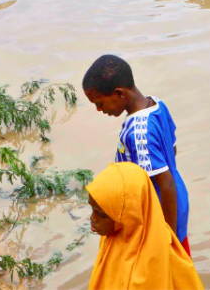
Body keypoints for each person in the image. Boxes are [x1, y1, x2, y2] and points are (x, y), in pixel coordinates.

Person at [83, 55, 191, 256]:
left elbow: (165, 184)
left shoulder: (139, 133)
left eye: (99, 103)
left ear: (119, 94)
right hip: (177, 204)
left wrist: (167, 240)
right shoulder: (157, 105)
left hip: (159, 216)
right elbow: (172, 151)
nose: (99, 109)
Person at [86, 162, 203, 290]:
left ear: (128, 216)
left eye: (100, 214)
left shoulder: (153, 263)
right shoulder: (111, 237)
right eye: (92, 208)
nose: (92, 218)